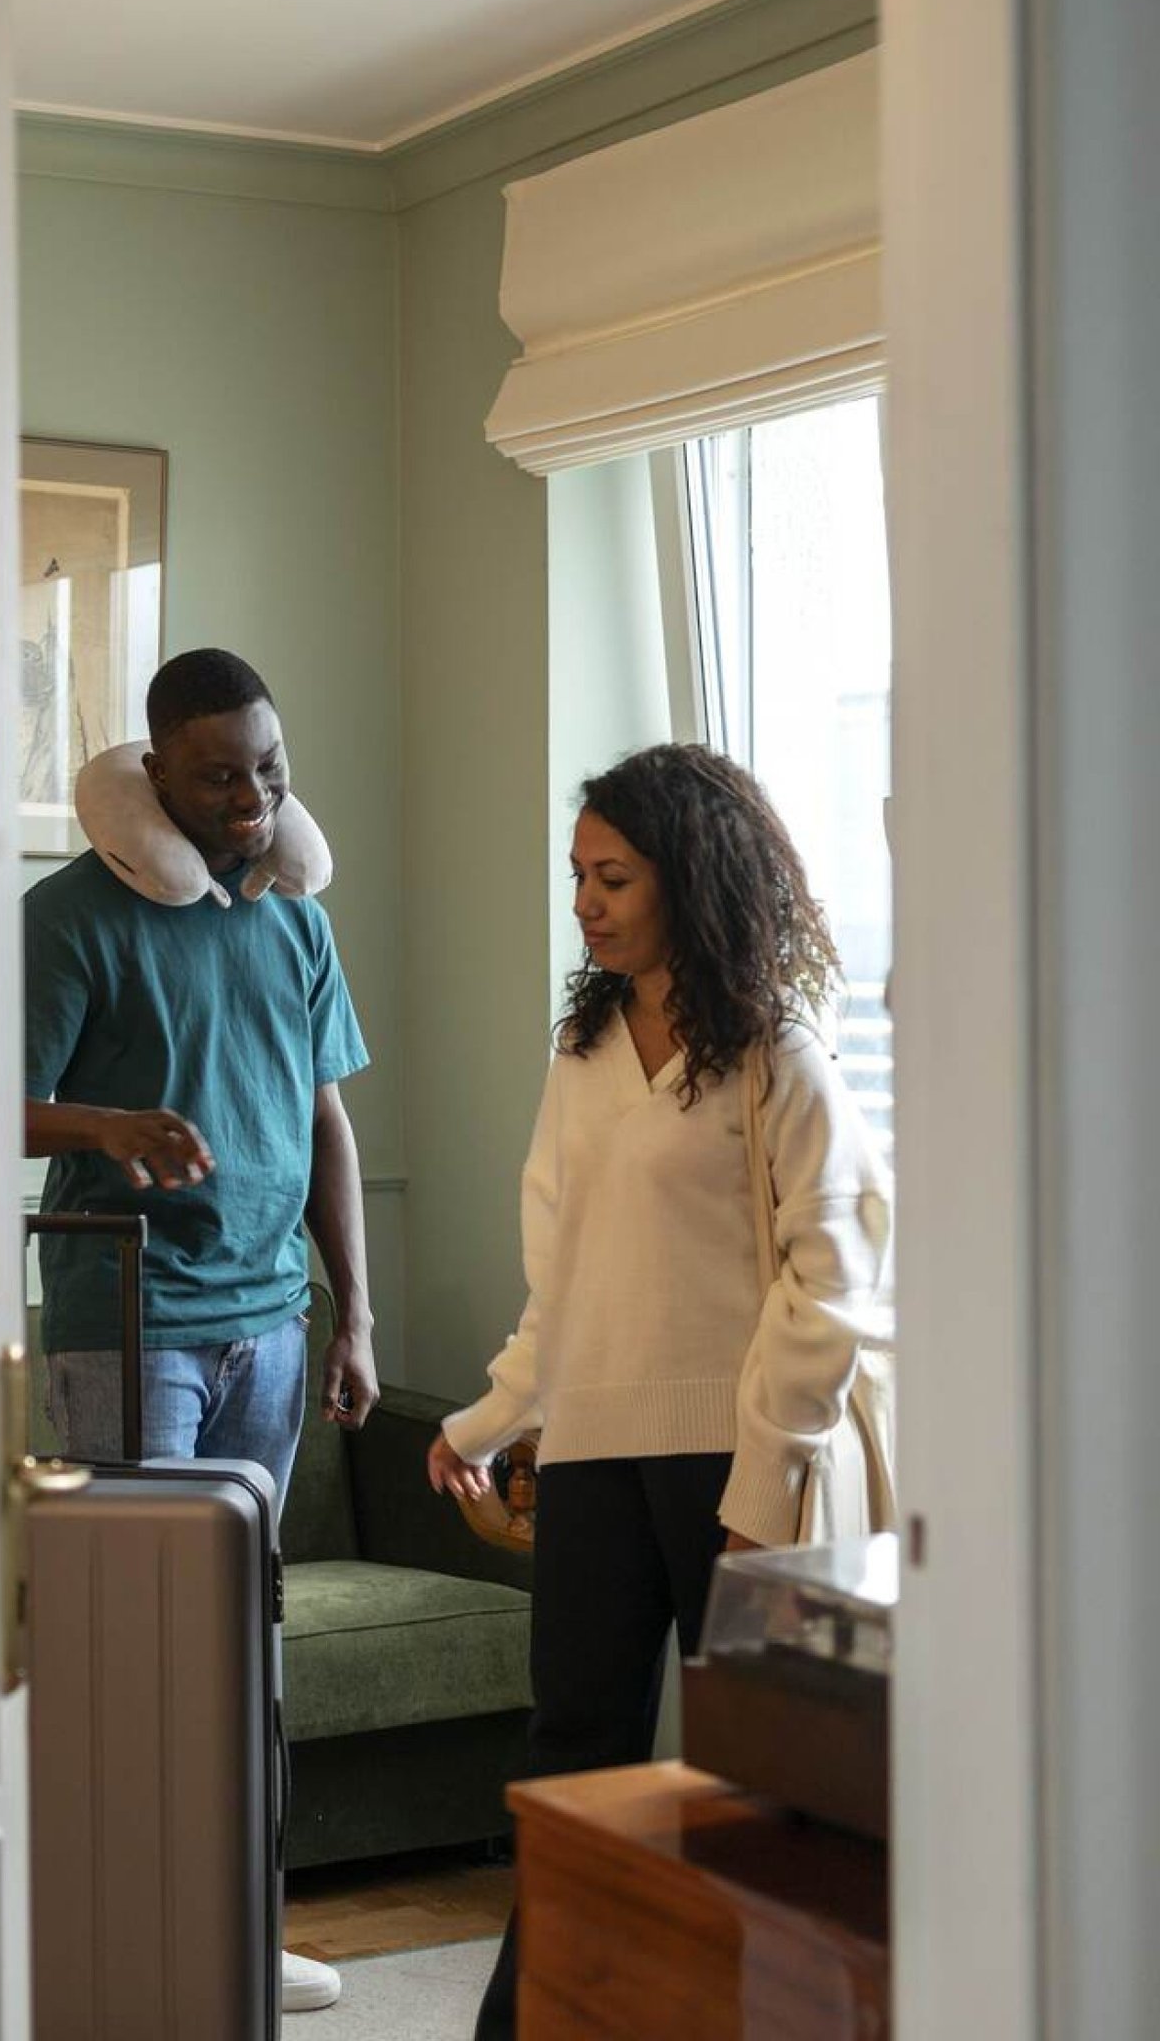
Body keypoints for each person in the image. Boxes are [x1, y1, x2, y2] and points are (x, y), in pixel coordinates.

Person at [427, 742, 893, 2041]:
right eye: (577, 875)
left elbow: (834, 1279)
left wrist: (764, 1481)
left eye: (614, 877)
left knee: (759, 1788)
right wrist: (493, 1421)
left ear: (688, 876)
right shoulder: (581, 1052)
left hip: (735, 1465)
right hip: (593, 1453)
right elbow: (565, 1272)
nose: (586, 901)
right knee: (572, 1758)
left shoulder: (779, 1055)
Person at [25, 646, 379, 2015]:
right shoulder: (69, 918)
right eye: (219, 775)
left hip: (270, 1331)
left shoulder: (295, 922)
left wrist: (354, 1316)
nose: (251, 799)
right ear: (155, 772)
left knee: (240, 1646)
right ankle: (122, 1947)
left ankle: (235, 1932)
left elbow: (328, 1121)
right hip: (128, 1327)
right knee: (136, 1650)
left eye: (270, 770)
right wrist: (103, 1124)